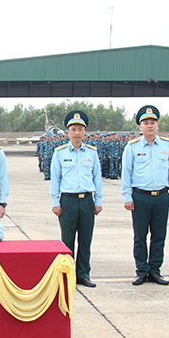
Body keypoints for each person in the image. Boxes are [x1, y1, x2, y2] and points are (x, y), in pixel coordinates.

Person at [121, 105, 169, 285]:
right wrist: (127, 197)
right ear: (140, 126)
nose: (149, 126)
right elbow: (126, 173)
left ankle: (155, 271)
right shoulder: (132, 147)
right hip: (140, 197)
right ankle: (141, 271)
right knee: (140, 236)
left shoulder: (167, 146)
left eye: (152, 122)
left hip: (161, 196)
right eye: (145, 123)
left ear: (157, 125)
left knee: (159, 235)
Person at [50, 111, 103, 288]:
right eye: (73, 129)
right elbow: (55, 179)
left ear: (84, 132)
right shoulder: (59, 153)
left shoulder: (92, 153)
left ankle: (83, 274)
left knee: (86, 239)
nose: (77, 133)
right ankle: (67, 274)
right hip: (68, 201)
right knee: (67, 240)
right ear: (68, 132)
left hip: (87, 200)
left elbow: (97, 178)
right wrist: (55, 202)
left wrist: (98, 201)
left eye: (80, 129)